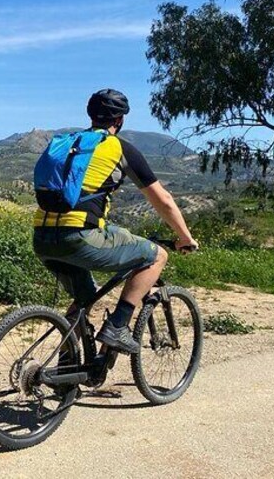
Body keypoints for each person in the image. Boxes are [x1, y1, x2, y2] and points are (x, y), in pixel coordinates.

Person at [32, 88, 199, 354]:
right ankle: (118, 327)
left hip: (42, 238)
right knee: (156, 256)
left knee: (84, 300)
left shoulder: (69, 143)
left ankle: (67, 373)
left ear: (90, 114)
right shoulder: (119, 147)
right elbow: (163, 200)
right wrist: (185, 237)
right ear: (119, 120)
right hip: (80, 237)